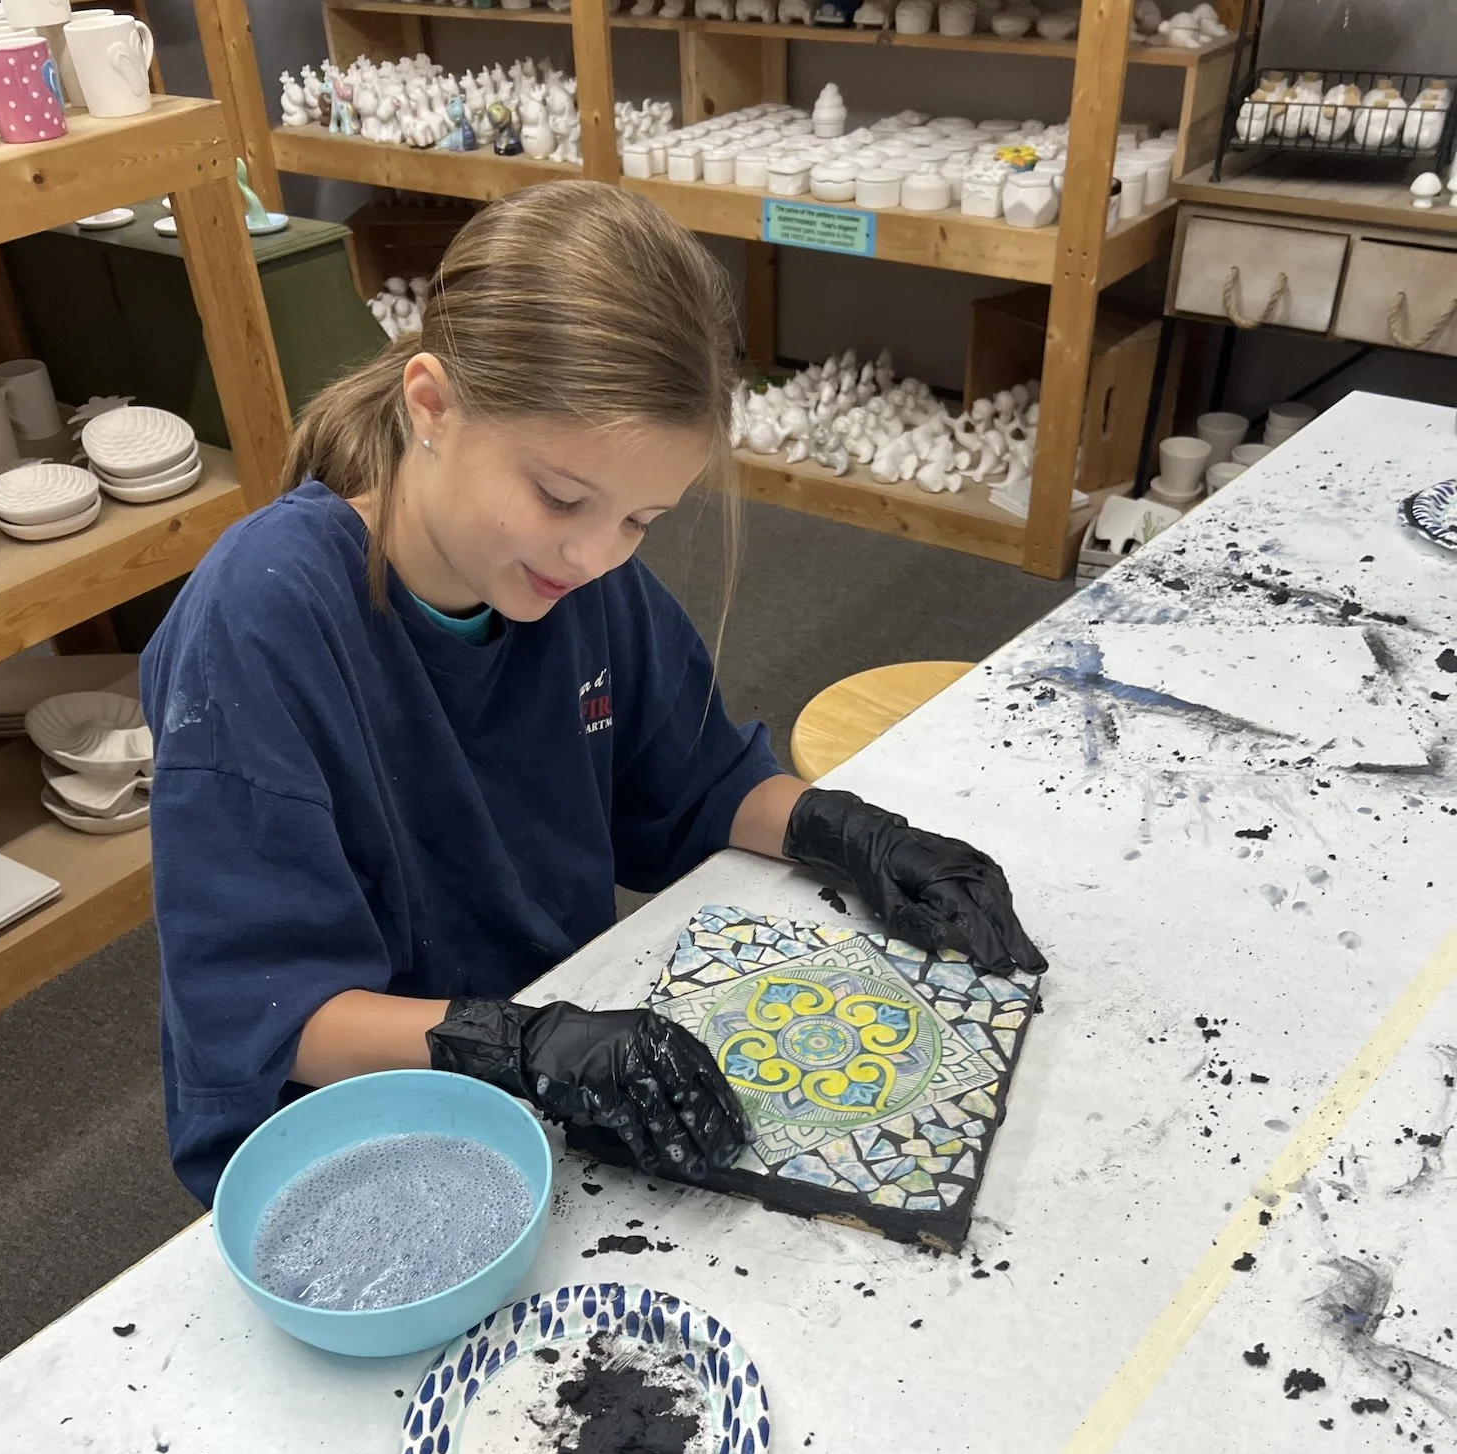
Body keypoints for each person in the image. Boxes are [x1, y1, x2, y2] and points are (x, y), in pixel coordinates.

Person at [141, 182, 1044, 1207]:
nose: (591, 554)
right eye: (562, 497)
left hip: (550, 1056)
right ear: (431, 406)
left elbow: (693, 784)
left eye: (641, 520)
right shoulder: (262, 620)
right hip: (354, 1125)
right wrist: (519, 1046)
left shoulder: (573, 583)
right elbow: (263, 1013)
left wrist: (857, 835)